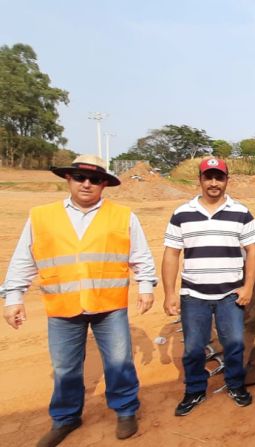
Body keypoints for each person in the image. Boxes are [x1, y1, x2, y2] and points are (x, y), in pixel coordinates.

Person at [0, 155, 157, 447]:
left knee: (119, 362)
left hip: (109, 305)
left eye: (95, 179)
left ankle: (125, 410)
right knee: (65, 367)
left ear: (104, 185)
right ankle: (66, 417)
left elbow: (141, 255)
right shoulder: (40, 216)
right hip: (62, 307)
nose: (87, 184)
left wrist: (145, 286)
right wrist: (13, 297)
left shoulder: (123, 216)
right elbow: (24, 259)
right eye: (80, 177)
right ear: (68, 179)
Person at [162, 157, 255, 415]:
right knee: (194, 347)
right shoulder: (182, 213)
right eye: (209, 177)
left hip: (230, 293)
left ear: (227, 180)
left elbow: (252, 251)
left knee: (235, 343)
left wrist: (248, 286)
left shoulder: (241, 212)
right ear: (200, 180)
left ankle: (236, 385)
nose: (214, 183)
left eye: (219, 177)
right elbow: (171, 254)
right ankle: (194, 390)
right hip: (194, 294)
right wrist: (170, 293)